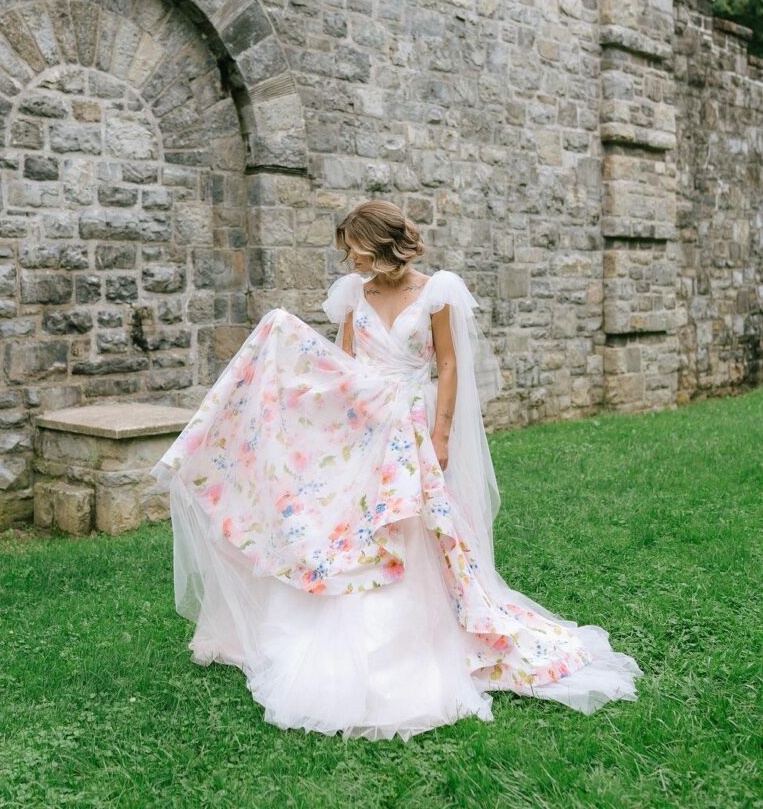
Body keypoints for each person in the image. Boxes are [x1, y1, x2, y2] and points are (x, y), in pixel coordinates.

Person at [150, 199, 642, 741]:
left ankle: (421, 637)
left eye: (356, 251)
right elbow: (340, 369)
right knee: (353, 528)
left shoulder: (437, 293)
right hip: (366, 428)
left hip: (413, 422)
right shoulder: (353, 295)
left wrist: (441, 432)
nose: (350, 262)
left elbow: (448, 364)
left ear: (383, 245)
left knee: (412, 526)